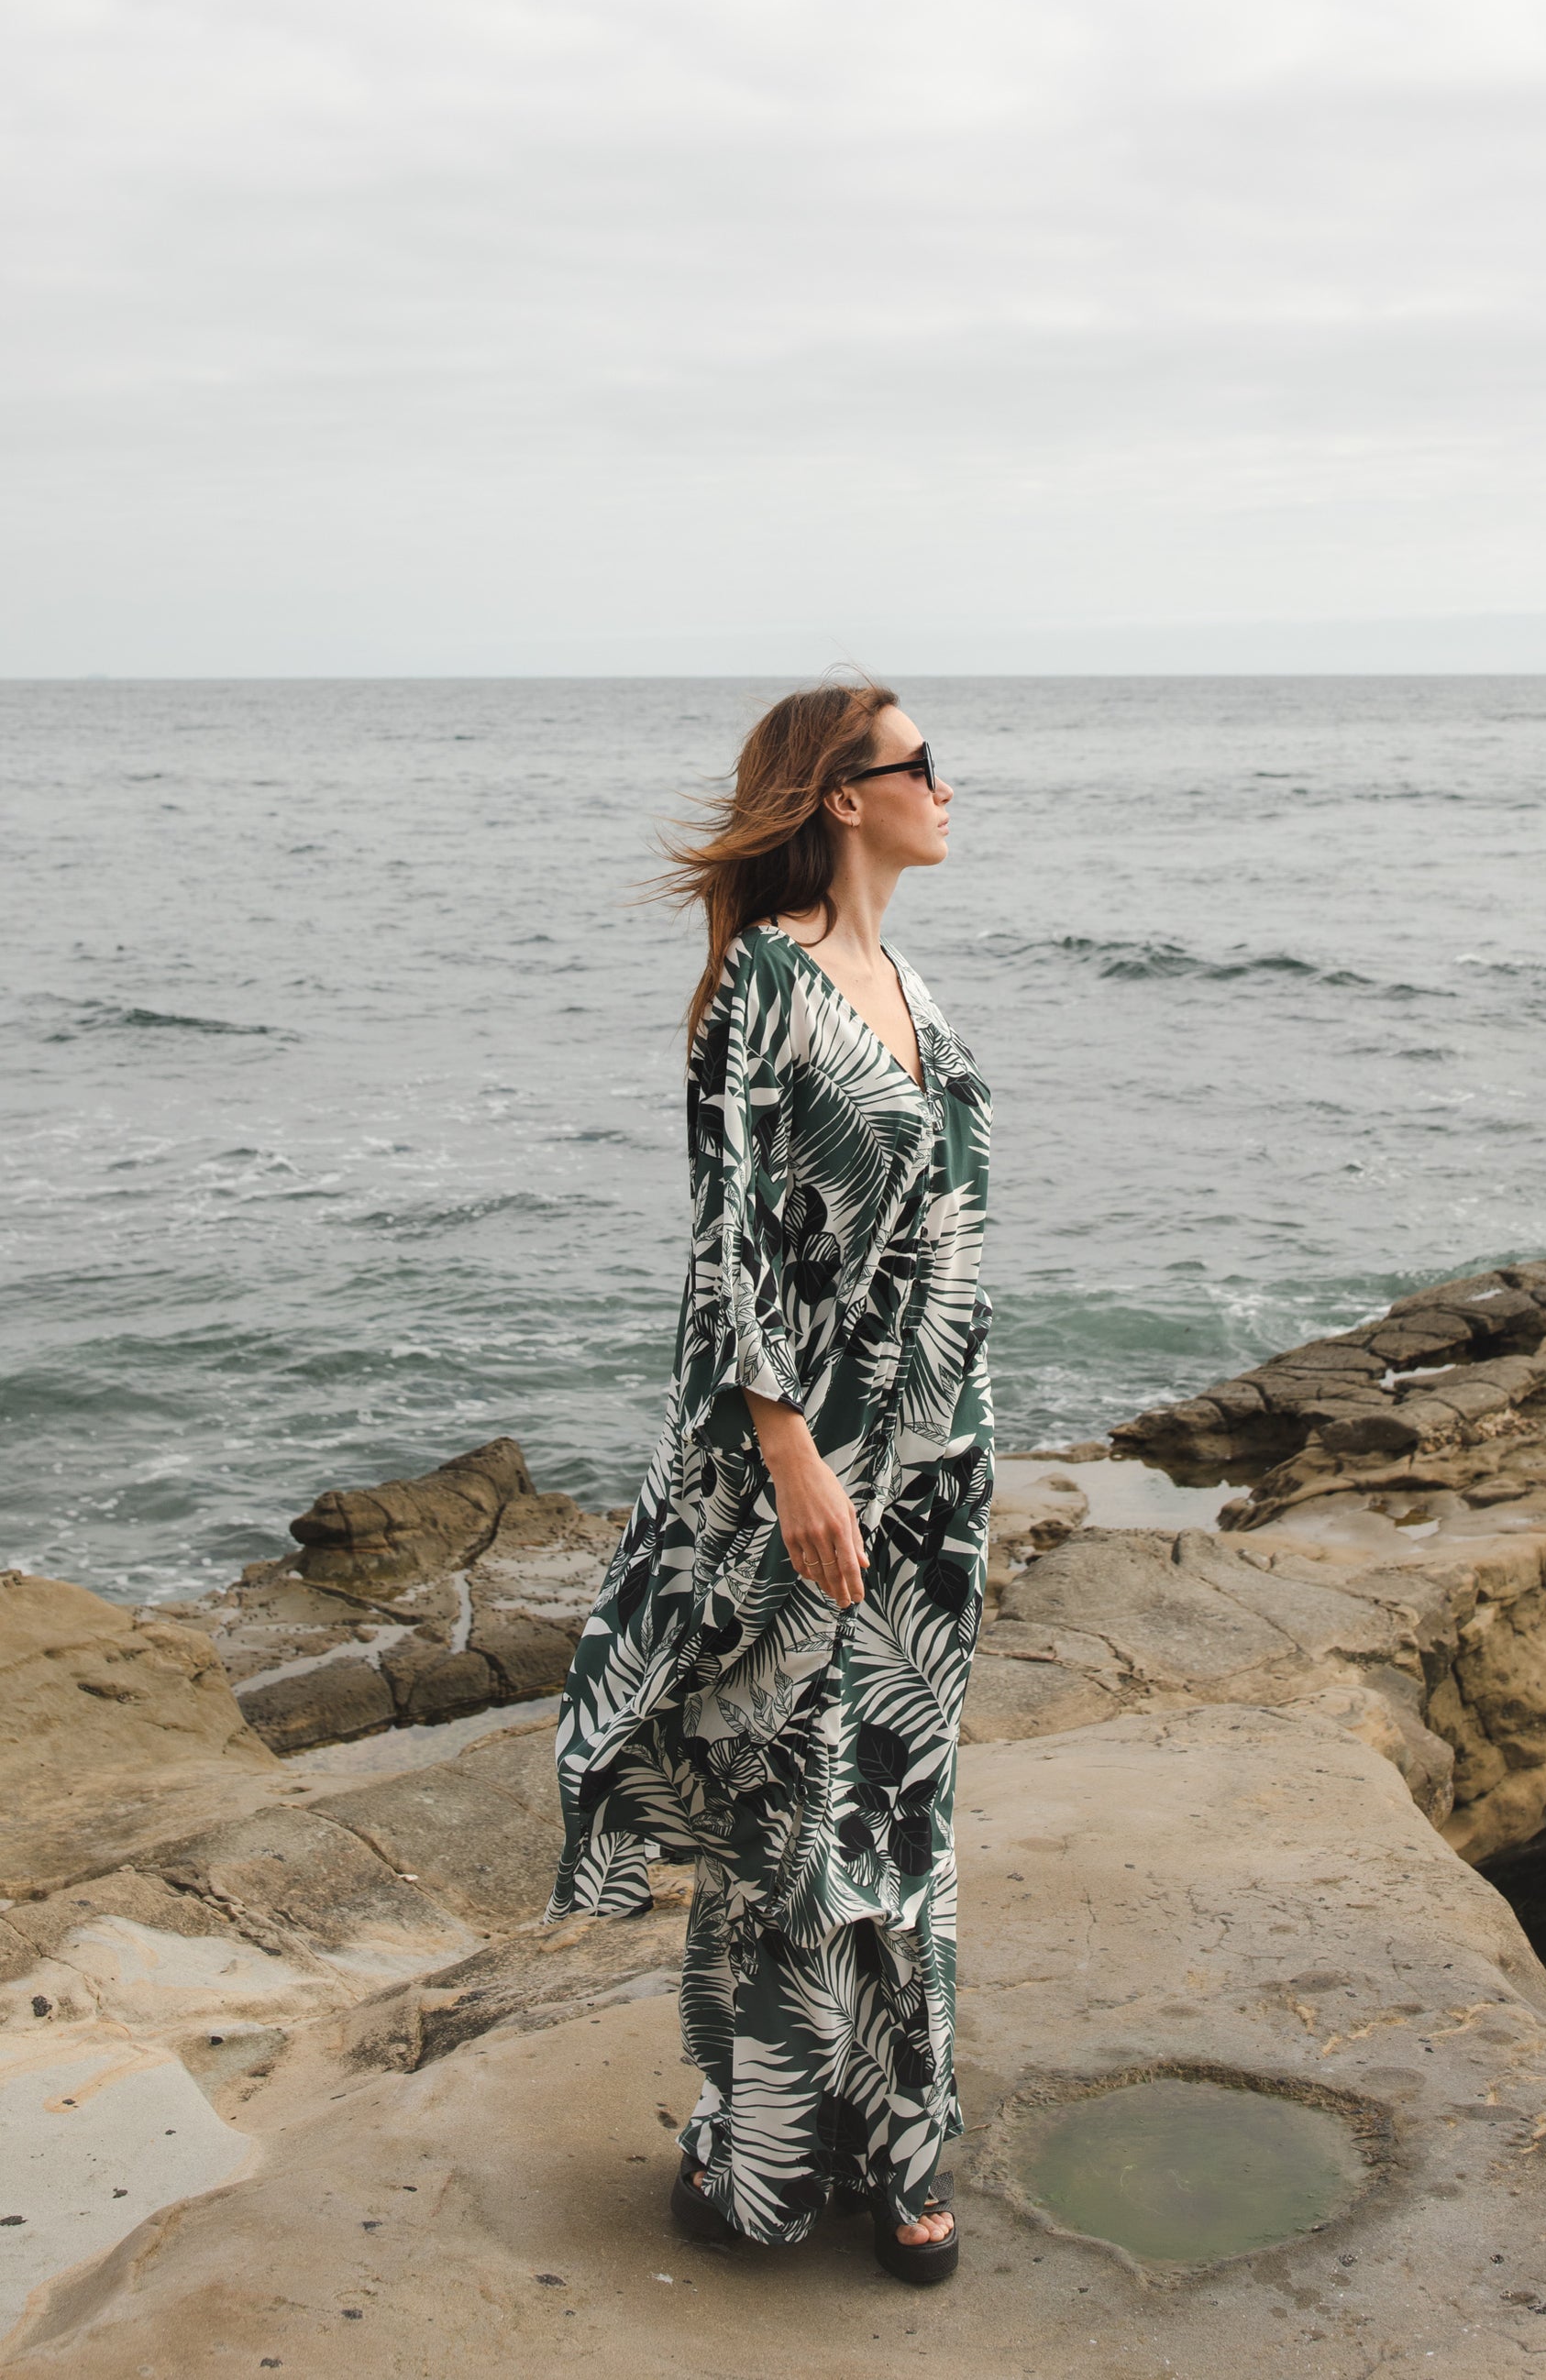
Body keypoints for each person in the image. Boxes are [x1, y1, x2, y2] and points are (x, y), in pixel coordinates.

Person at [547, 678, 994, 2286]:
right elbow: (723, 1242)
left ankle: (901, 2141)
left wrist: (942, 1444)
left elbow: (942, 1241)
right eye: (920, 762)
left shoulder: (913, 986)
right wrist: (790, 1449)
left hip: (936, 1471)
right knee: (794, 1809)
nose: (949, 783)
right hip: (805, 1469)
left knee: (902, 1806)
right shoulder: (766, 982)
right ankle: (761, 2144)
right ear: (842, 796)